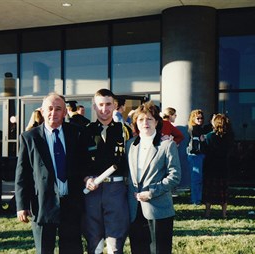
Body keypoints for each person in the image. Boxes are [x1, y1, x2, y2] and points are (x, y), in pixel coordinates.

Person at [15, 93, 83, 254]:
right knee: (44, 250)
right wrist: (21, 205)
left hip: (71, 204)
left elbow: (83, 165)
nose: (54, 113)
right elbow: (22, 174)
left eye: (58, 109)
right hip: (43, 204)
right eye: (50, 109)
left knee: (72, 249)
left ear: (65, 112)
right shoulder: (29, 138)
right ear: (42, 111)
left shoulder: (77, 133)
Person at [79, 88, 131, 254]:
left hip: (116, 191)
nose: (104, 109)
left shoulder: (124, 131)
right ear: (94, 106)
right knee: (94, 241)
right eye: (100, 105)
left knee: (115, 242)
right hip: (92, 190)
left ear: (115, 105)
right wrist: (85, 178)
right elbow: (78, 161)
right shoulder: (85, 131)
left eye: (108, 104)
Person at [126, 101, 181, 254]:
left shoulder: (167, 145)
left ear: (157, 122)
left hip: (158, 209)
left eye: (149, 119)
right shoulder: (130, 145)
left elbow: (175, 176)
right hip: (134, 210)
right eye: (141, 119)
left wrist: (151, 192)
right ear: (136, 123)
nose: (145, 123)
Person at [202, 114, 234, 218]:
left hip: (211, 166)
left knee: (209, 191)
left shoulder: (209, 136)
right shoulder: (229, 136)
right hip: (223, 166)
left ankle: (207, 213)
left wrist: (202, 142)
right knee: (223, 192)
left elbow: (204, 150)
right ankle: (224, 214)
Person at [187, 109, 206, 205]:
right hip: (196, 155)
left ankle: (197, 198)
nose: (200, 120)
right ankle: (196, 199)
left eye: (201, 118)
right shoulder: (195, 128)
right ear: (193, 118)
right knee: (197, 179)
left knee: (197, 178)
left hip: (196, 154)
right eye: (198, 118)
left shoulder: (196, 128)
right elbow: (197, 142)